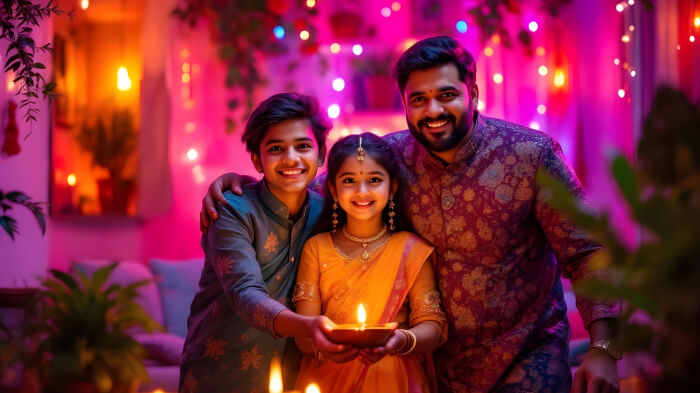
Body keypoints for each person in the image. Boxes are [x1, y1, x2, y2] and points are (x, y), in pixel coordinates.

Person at [201, 36, 620, 393]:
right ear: (404, 103)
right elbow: (308, 177)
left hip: (527, 354)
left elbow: (588, 252)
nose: (433, 110)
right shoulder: (390, 155)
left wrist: (603, 350)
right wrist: (242, 181)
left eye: (447, 95)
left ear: (474, 93)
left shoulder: (532, 156)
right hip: (433, 363)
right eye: (418, 99)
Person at [180, 93, 348, 393]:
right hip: (221, 373)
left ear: (321, 155)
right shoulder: (231, 210)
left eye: (303, 146)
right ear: (257, 159)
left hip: (293, 376)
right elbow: (246, 295)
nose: (291, 158)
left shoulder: (329, 210)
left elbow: (374, 162)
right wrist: (308, 326)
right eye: (276, 149)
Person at [292, 133, 447, 392]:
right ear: (333, 188)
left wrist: (401, 340)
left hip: (394, 376)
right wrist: (329, 344)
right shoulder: (316, 249)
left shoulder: (411, 249)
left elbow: (434, 327)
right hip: (328, 376)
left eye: (374, 180)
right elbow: (303, 337)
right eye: (349, 180)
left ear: (393, 187)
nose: (362, 191)